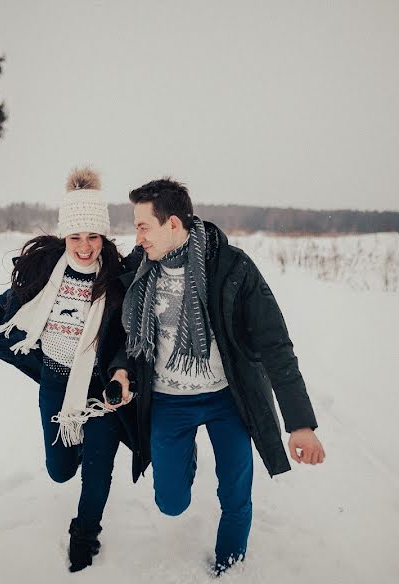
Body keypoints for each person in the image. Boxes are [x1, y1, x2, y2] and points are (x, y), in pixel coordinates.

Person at [108, 178, 325, 575]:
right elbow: (128, 335)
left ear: (172, 224)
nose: (137, 237)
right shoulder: (139, 269)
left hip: (228, 399)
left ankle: (230, 567)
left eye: (143, 226)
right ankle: (185, 454)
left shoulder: (233, 268)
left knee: (236, 492)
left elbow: (275, 344)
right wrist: (121, 371)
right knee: (170, 502)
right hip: (169, 401)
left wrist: (300, 424)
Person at [0, 168, 135, 572]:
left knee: (98, 472)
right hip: (55, 382)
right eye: (76, 236)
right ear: (65, 236)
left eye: (93, 236)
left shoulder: (118, 280)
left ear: (103, 236)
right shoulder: (43, 272)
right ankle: (76, 445)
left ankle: (84, 533)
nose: (85, 246)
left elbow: (136, 336)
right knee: (60, 471)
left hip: (100, 392)